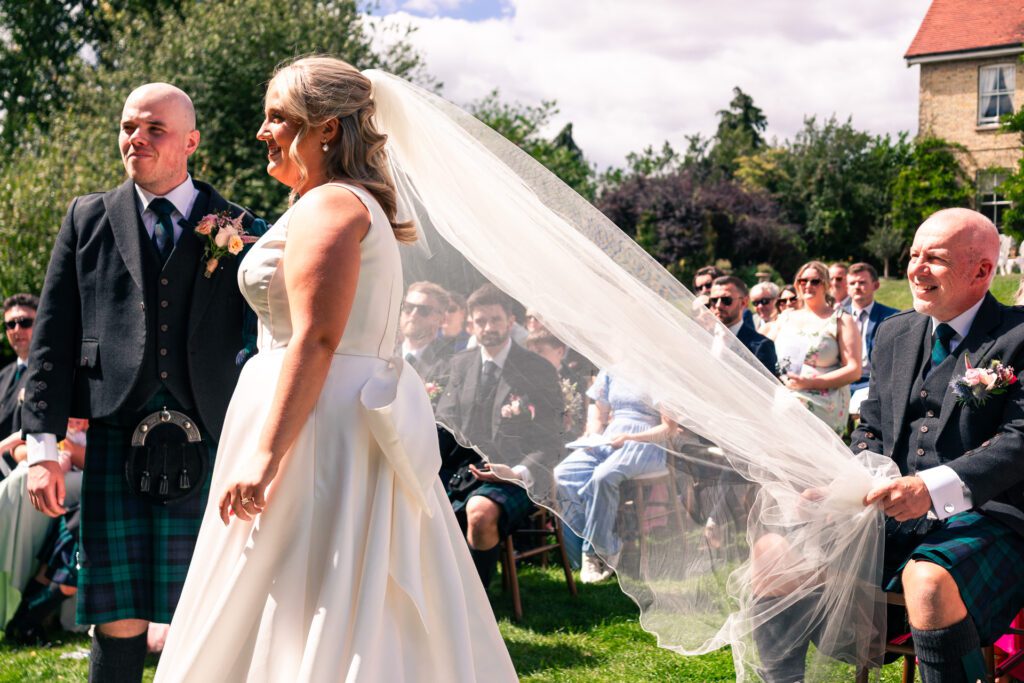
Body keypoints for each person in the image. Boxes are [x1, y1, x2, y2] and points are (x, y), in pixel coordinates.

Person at [155, 57, 515, 682]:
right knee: (332, 588)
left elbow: (317, 338)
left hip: (320, 429)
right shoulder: (344, 203)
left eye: (277, 117)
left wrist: (266, 457)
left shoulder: (330, 206)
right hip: (333, 413)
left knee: (307, 583)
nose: (263, 132)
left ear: (324, 127)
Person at [20, 82, 257, 682]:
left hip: (212, 433)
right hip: (114, 429)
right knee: (116, 615)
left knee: (214, 609)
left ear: (190, 142)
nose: (137, 138)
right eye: (129, 126)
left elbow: (263, 341)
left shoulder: (241, 225)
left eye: (155, 129)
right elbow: (51, 337)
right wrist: (42, 449)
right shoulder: (88, 218)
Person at [755, 208, 1024, 683]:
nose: (917, 269)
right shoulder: (895, 332)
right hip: (888, 516)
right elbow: (872, 429)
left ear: (982, 270)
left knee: (927, 580)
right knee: (773, 555)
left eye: (935, 259)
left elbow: (1018, 441)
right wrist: (843, 486)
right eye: (914, 255)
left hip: (992, 516)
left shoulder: (1018, 335)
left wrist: (930, 489)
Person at [434, 283, 563, 592]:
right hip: (463, 472)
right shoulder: (459, 365)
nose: (488, 327)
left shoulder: (538, 369)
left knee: (479, 512)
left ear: (510, 321)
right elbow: (444, 425)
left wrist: (517, 472)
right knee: (409, 501)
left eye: (495, 319)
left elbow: (552, 439)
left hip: (517, 475)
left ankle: (474, 603)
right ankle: (435, 597)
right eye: (481, 321)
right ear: (470, 324)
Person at [554, 370, 675, 583]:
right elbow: (599, 414)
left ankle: (596, 552)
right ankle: (603, 539)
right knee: (562, 474)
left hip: (646, 443)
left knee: (603, 477)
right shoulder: (611, 371)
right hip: (612, 438)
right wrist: (592, 436)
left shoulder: (657, 371)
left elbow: (669, 428)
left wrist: (632, 437)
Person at [772, 261, 861, 434]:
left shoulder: (841, 319)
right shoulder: (785, 318)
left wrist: (810, 383)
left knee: (790, 409)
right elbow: (762, 346)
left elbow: (854, 370)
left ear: (826, 285)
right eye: (803, 281)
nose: (808, 285)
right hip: (784, 389)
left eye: (815, 281)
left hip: (823, 397)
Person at [842, 262, 898, 394]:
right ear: (847, 288)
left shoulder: (893, 318)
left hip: (874, 383)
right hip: (842, 381)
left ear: (876, 285)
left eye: (862, 282)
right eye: (852, 283)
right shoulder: (837, 317)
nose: (857, 287)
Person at [708, 276, 778, 375]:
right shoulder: (701, 336)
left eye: (726, 300)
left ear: (744, 302)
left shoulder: (761, 345)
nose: (718, 305)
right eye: (714, 300)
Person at [0, 294, 37, 476]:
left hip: (28, 471)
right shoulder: (3, 375)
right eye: (10, 324)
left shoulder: (56, 372)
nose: (17, 329)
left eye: (25, 322)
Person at [399, 280, 455, 380]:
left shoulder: (450, 364)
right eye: (408, 307)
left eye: (423, 310)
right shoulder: (383, 351)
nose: (413, 314)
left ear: (441, 320)